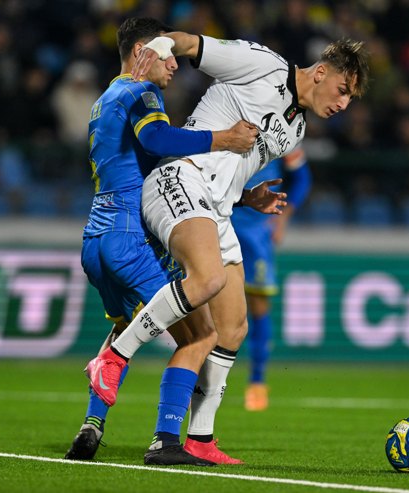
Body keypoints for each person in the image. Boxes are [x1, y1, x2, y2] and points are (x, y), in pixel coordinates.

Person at [85, 31, 369, 464]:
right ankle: (114, 357)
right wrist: (160, 47)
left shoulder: (295, 129)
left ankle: (192, 438)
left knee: (233, 328)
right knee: (208, 279)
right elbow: (187, 42)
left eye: (351, 99)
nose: (344, 104)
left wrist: (247, 195)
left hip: (216, 206)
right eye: (343, 91)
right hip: (179, 178)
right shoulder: (261, 63)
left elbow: (232, 167)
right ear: (322, 71)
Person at [64, 17, 267, 465]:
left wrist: (242, 196)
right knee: (201, 335)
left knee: (124, 328)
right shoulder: (141, 92)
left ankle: (91, 425)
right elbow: (156, 139)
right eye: (168, 54)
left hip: (95, 240)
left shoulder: (104, 100)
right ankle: (167, 441)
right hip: (129, 238)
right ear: (142, 51)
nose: (175, 65)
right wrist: (224, 139)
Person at [231, 147, 311, 411]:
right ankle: (200, 381)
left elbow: (302, 178)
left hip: (257, 231)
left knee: (258, 307)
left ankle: (257, 382)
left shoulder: (285, 133)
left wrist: (283, 219)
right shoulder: (224, 120)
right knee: (208, 304)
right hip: (222, 222)